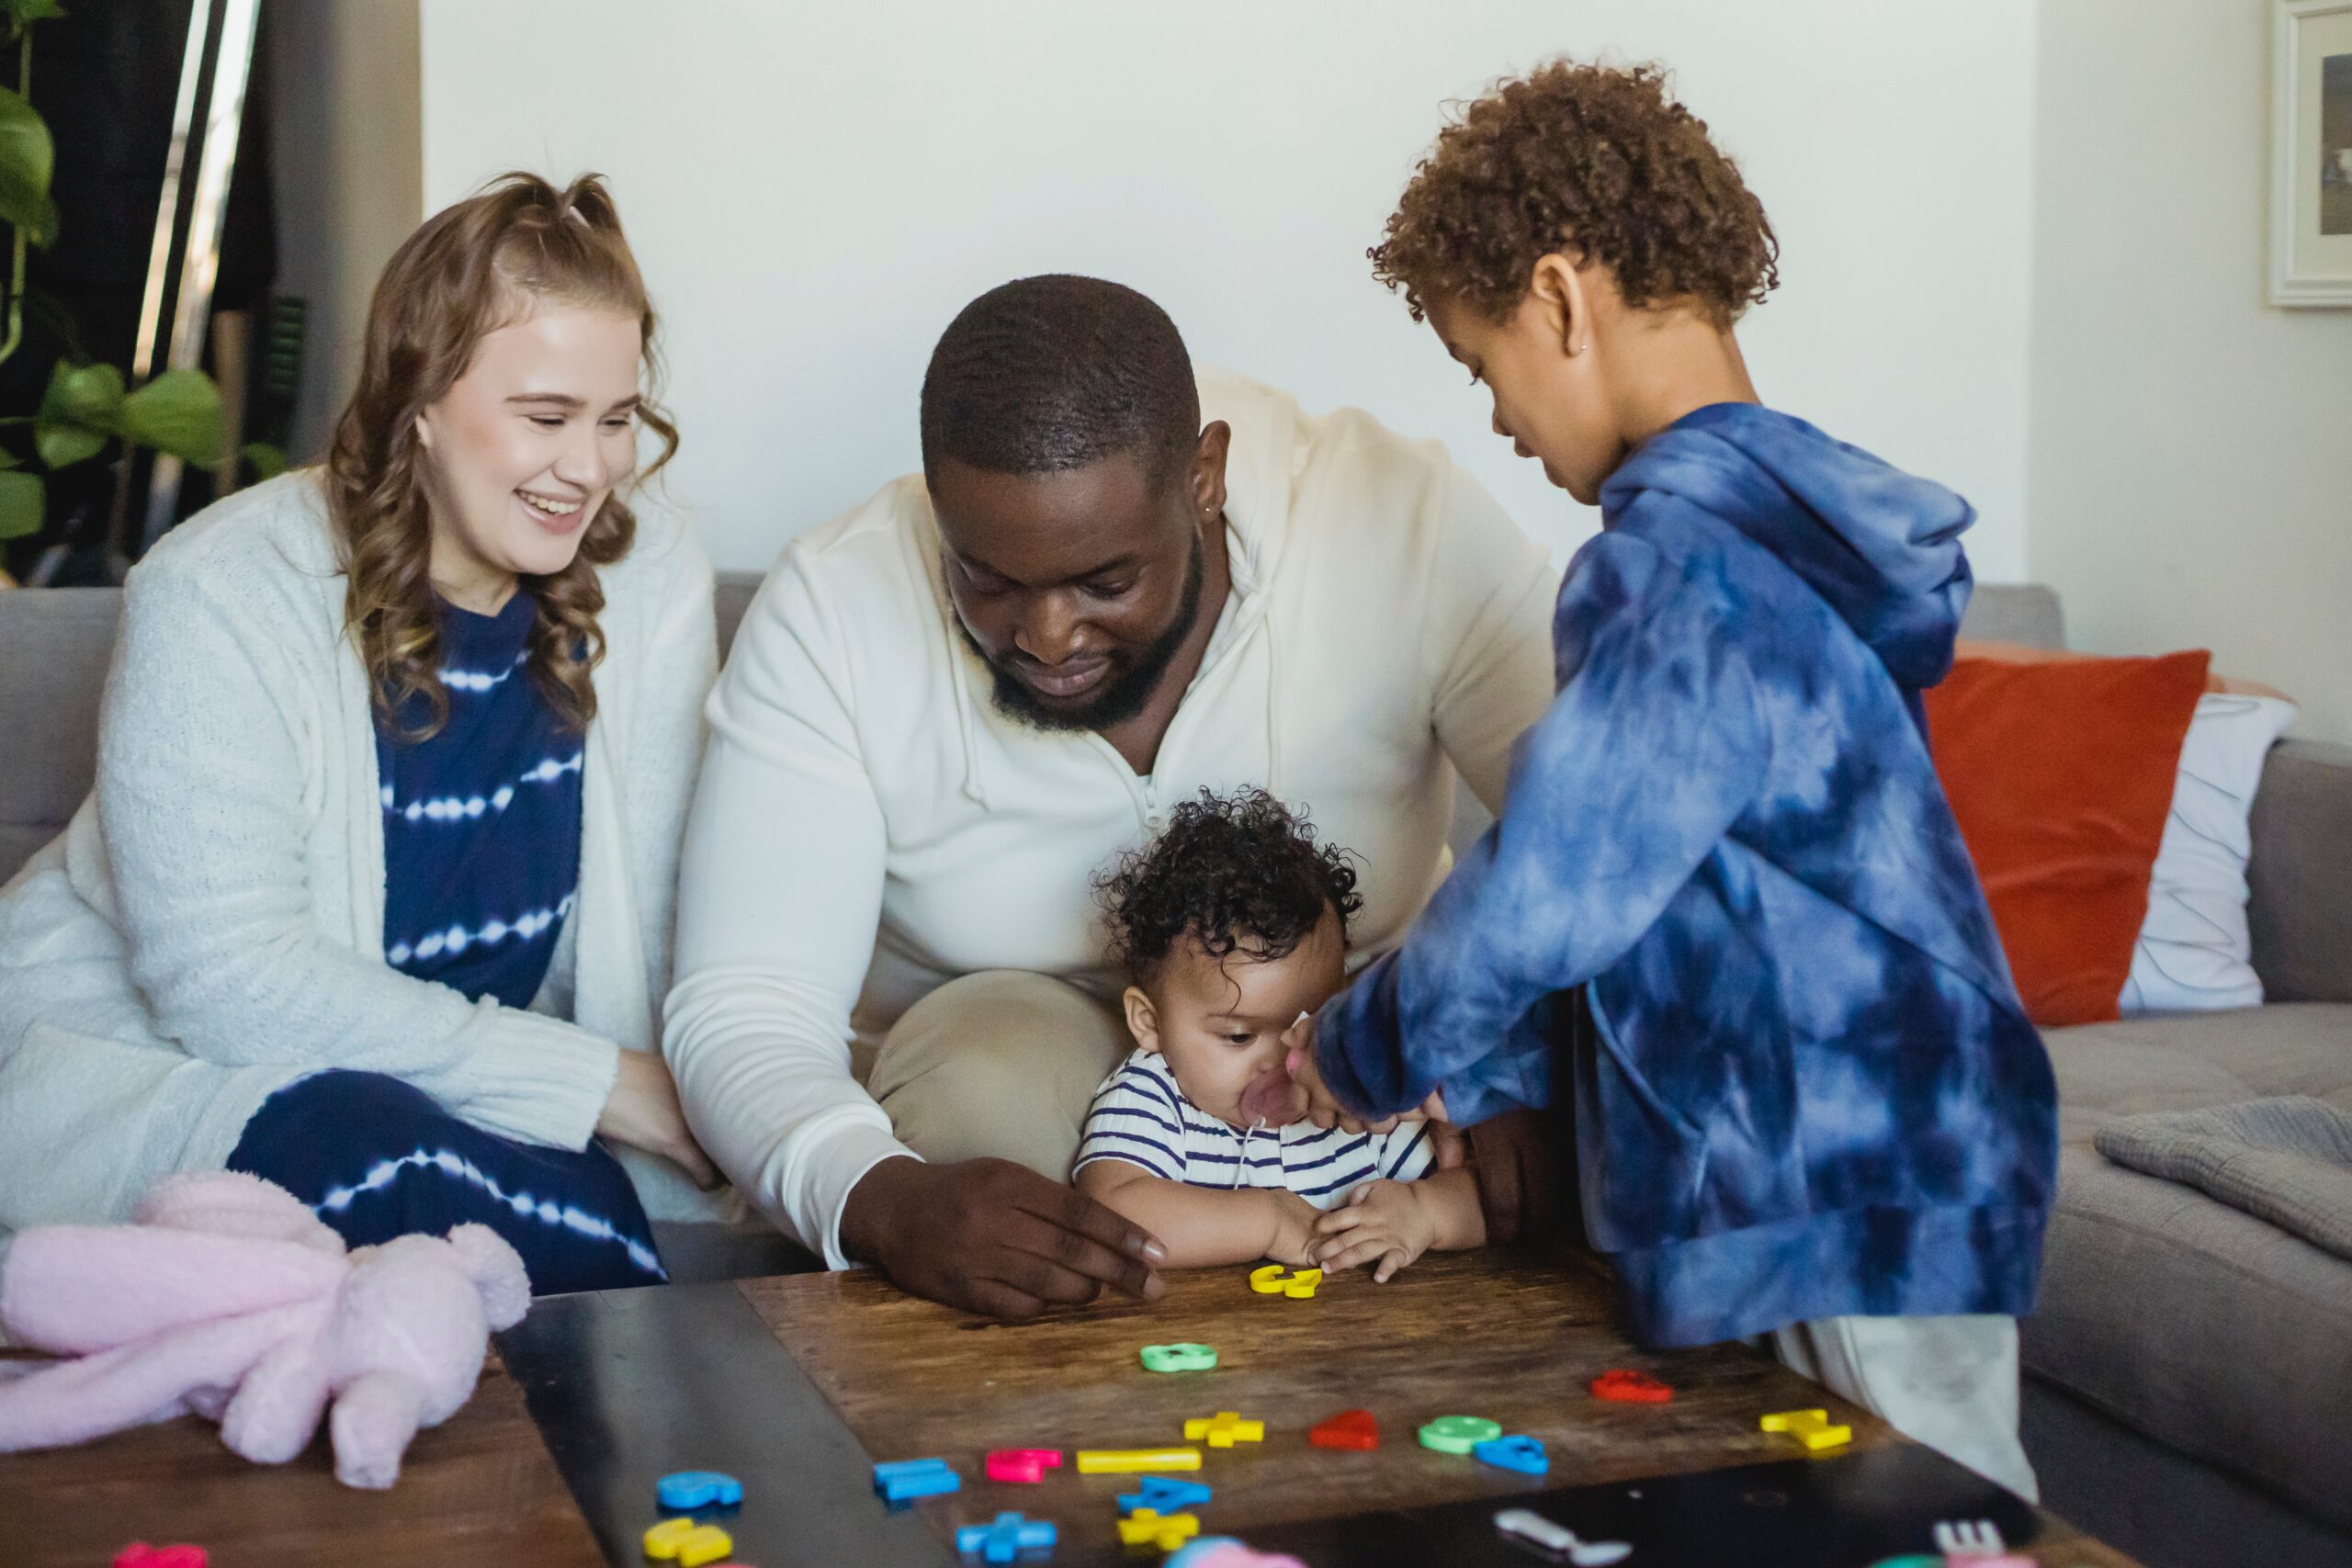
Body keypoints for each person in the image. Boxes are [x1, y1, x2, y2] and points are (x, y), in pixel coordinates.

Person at [1286, 62, 2057, 1497]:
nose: (1502, 423)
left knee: (1938, 1512)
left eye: (1483, 367)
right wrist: (1500, 1068)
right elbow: (1659, 884)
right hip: (1861, 1140)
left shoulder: (1677, 572)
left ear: (1562, 301)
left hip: (1846, 1159)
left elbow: (1556, 885)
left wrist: (1359, 1046)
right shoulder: (1776, 538)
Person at [666, 275, 1558, 1320]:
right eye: (988, 581)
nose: (1045, 637)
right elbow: (743, 1005)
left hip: (1345, 1032)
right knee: (977, 1092)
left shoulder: (1394, 524)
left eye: (1102, 581)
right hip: (1012, 1058)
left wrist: (1525, 1068)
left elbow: (1612, 837)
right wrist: (881, 1197)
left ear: (1203, 479)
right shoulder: (833, 604)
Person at [0, 174, 729, 1296]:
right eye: (545, 418)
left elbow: (671, 901)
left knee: (477, 1181)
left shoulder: (653, 567)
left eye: (616, 420)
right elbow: (230, 984)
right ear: (420, 403)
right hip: (181, 1070)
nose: (588, 469)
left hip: (479, 1095)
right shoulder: (220, 589)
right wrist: (592, 1085)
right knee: (380, 1156)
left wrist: (713, 1092)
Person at [1075, 788, 1483, 1280]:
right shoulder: (1153, 1095)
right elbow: (1111, 1212)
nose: (1282, 1060)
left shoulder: (1353, 1088)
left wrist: (1426, 1211)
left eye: (1307, 1023)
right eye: (1238, 1037)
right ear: (1150, 1022)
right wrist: (1267, 1221)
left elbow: (1491, 1191)